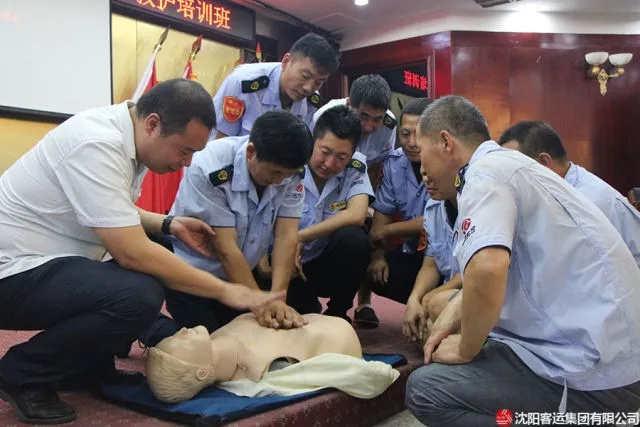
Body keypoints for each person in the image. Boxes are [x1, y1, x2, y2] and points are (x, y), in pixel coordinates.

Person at [0, 79, 282, 425]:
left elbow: (110, 209)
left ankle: (84, 366)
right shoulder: (96, 143)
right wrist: (227, 290)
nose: (187, 163)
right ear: (152, 124)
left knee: (159, 249)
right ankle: (21, 373)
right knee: (137, 294)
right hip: (11, 272)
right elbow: (131, 253)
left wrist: (169, 224)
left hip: (46, 261)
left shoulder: (129, 138)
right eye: (184, 151)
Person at [405, 95, 640, 427]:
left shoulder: (483, 175)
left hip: (594, 374)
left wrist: (465, 348)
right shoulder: (512, 167)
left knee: (427, 390)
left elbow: (488, 267)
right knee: (459, 319)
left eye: (421, 153)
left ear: (445, 142)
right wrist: (450, 322)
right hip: (613, 356)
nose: (422, 169)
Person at [151, 110, 314, 346]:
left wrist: (278, 298)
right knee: (208, 346)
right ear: (251, 152)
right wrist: (261, 302)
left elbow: (286, 236)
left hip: (241, 276)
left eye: (286, 175)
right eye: (275, 172)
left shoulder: (292, 172)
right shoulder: (211, 166)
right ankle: (147, 327)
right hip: (194, 275)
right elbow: (225, 247)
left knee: (253, 340)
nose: (279, 181)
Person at [275, 105, 373, 322]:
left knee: (356, 238)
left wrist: (299, 237)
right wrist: (287, 245)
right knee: (299, 317)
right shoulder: (290, 161)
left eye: (341, 157)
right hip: (284, 263)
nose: (329, 164)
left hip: (323, 262)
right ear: (313, 141)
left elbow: (357, 214)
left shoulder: (355, 168)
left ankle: (339, 311)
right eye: (325, 152)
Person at [499, 120, 640, 267]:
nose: (509, 177)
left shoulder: (593, 201)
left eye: (513, 167)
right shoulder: (547, 192)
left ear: (544, 163)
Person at [146, 313, 362, 403]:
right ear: (201, 372)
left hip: (314, 321)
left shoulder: (216, 337)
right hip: (339, 338)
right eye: (178, 342)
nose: (182, 330)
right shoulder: (257, 367)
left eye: (172, 336)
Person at [354, 98, 433, 328]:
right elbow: (380, 218)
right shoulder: (394, 163)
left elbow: (434, 219)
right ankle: (363, 305)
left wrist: (388, 230)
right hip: (412, 250)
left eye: (419, 135)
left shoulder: (448, 164)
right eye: (405, 134)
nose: (411, 143)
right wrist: (378, 256)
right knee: (364, 256)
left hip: (443, 257)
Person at [212, 33, 340, 139]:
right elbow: (220, 144)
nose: (309, 88)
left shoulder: (312, 102)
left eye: (319, 82)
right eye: (305, 76)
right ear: (286, 61)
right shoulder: (243, 83)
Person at [402, 168, 462, 344]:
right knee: (422, 331)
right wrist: (415, 298)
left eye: (432, 173)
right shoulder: (433, 207)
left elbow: (476, 269)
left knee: (436, 304)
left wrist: (431, 296)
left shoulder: (478, 207)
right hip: (449, 291)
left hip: (477, 291)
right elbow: (431, 264)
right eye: (424, 174)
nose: (427, 180)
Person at [313, 74, 396, 186]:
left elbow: (379, 165)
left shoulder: (388, 126)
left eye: (377, 119)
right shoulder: (325, 116)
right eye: (363, 117)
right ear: (349, 104)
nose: (369, 127)